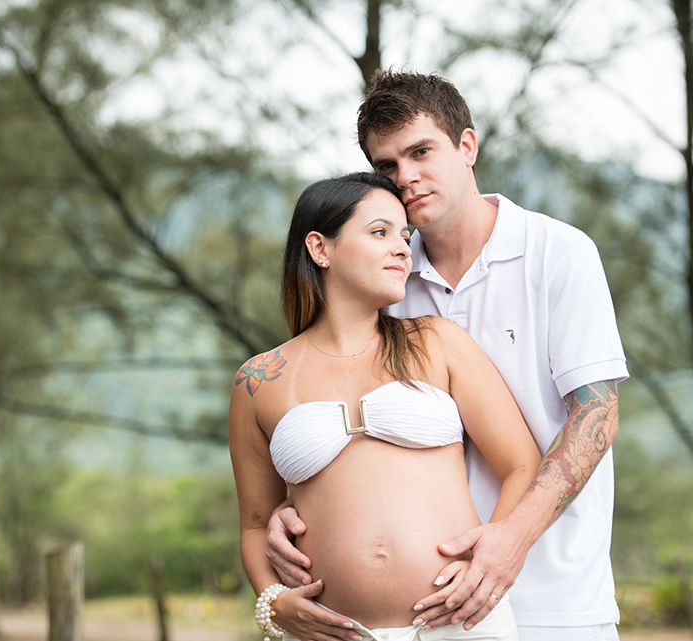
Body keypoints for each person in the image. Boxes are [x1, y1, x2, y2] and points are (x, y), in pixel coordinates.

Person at [265, 70, 629, 641]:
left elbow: (598, 414)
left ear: (466, 146)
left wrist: (511, 540)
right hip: (428, 611)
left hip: (557, 595)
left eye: (421, 152)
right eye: (387, 166)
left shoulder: (557, 252)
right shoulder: (385, 281)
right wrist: (292, 515)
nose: (405, 177)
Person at [229, 172, 542, 641]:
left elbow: (523, 464)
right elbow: (256, 525)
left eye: (405, 235)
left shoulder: (437, 343)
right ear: (320, 248)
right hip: (330, 632)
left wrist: (493, 554)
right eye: (380, 232)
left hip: (458, 624)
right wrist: (274, 602)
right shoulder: (258, 381)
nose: (402, 248)